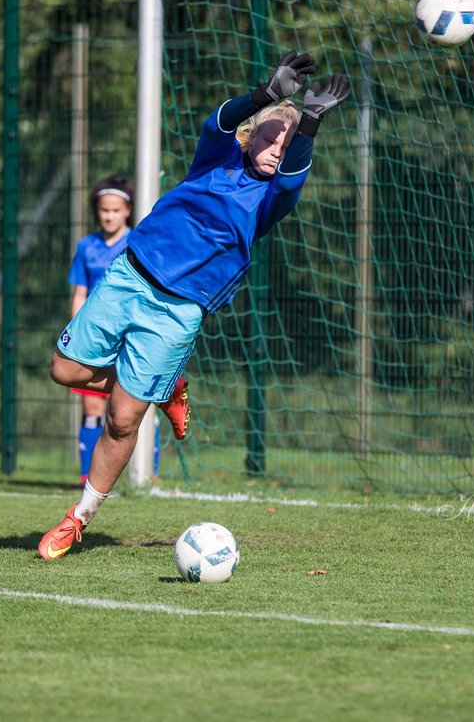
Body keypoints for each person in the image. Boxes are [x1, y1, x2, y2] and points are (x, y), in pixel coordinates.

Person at [39, 50, 351, 560]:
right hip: (130, 276)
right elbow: (219, 122)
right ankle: (165, 387)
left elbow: (293, 179)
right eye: (271, 135)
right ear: (250, 138)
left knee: (121, 420)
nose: (278, 146)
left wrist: (309, 122)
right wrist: (266, 97)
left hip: (178, 311)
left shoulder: (272, 200)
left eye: (287, 142)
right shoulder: (216, 159)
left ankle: (77, 519)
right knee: (64, 370)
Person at [66, 174, 155, 485]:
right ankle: (88, 474)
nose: (109, 215)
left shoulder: (136, 243)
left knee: (133, 400)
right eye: (104, 210)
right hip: (94, 335)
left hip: (128, 333)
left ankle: (148, 473)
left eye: (115, 210)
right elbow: (79, 293)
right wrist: (77, 330)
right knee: (92, 404)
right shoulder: (86, 247)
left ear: (127, 210)